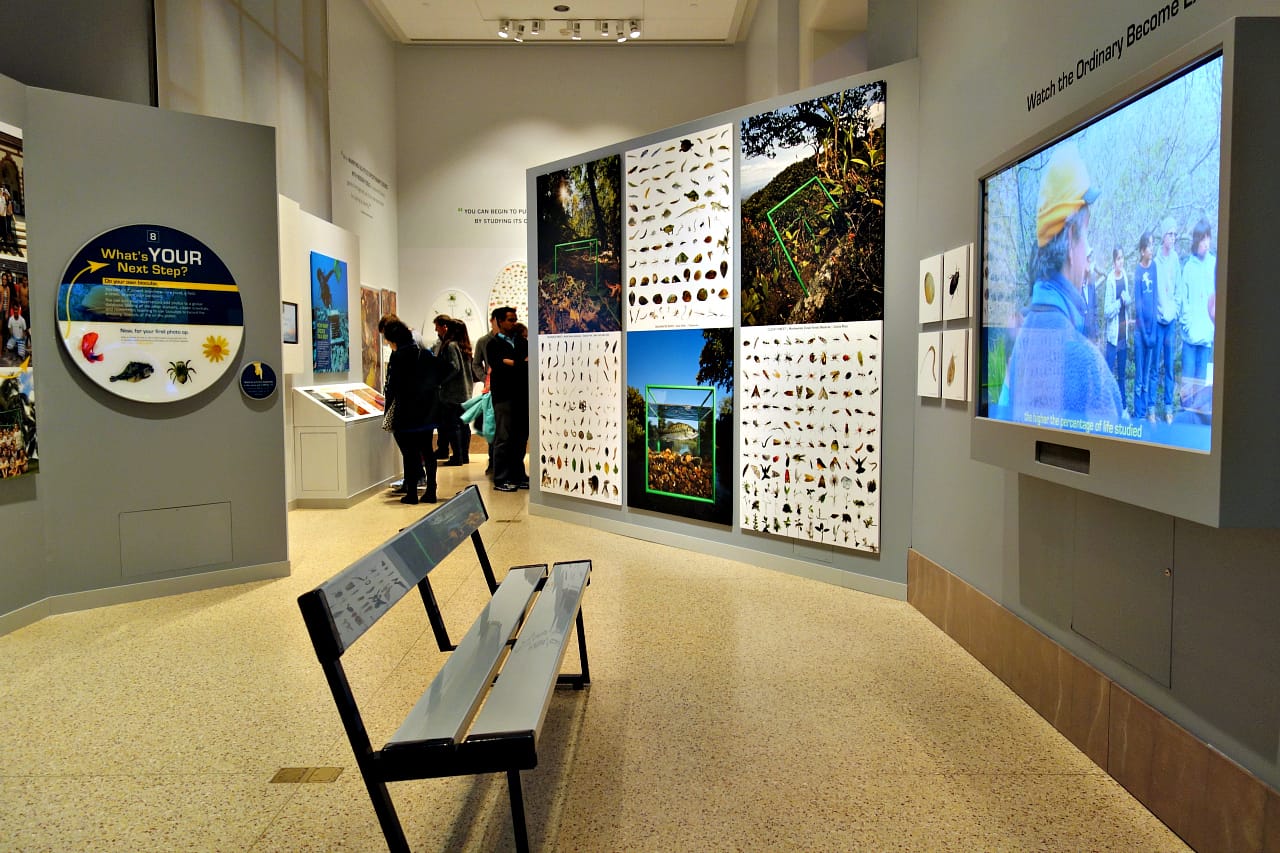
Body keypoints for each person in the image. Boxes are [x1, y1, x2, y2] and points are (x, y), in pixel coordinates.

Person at [1000, 143, 1121, 423]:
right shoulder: (1090, 369)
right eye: (1087, 236)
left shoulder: (1021, 346)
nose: (1088, 259)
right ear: (1070, 240)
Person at [382, 318, 440, 505]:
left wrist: (387, 411)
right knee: (427, 451)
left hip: (406, 412)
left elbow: (393, 387)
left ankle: (412, 493)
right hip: (427, 411)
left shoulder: (398, 357)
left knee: (409, 453)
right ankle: (431, 490)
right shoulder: (425, 354)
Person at [486, 306, 529, 492]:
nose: (514, 322)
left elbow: (527, 363)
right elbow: (499, 364)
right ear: (500, 321)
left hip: (522, 395)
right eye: (510, 319)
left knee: (520, 437)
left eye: (515, 319)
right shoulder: (493, 344)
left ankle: (518, 475)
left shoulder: (522, 341)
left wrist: (513, 363)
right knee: (503, 438)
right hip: (503, 396)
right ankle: (501, 478)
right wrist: (518, 363)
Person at [1153, 216, 1182, 423]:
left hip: (1170, 322)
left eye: (1175, 234)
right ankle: (1152, 407)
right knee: (1155, 365)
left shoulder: (1176, 260)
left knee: (1170, 366)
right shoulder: (1155, 262)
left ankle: (1169, 407)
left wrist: (1174, 311)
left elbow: (1178, 292)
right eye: (1170, 234)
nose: (1172, 238)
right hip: (1157, 321)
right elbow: (1153, 293)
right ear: (1163, 236)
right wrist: (1158, 312)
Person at [1179, 218, 1216, 382]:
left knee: (1201, 390)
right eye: (1202, 239)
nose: (1206, 243)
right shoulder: (1188, 267)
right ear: (1196, 241)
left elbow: (1217, 298)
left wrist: (1212, 327)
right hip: (1190, 338)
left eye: (1208, 238)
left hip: (1206, 337)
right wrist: (1188, 326)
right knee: (1188, 388)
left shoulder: (1214, 264)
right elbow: (1182, 300)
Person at [434, 317, 473, 465]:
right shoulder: (465, 346)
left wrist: (441, 381)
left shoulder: (451, 346)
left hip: (452, 393)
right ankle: (464, 455)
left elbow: (454, 367)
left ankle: (458, 456)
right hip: (465, 391)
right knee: (464, 425)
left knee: (453, 425)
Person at [1102, 246, 1132, 416]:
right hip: (1113, 338)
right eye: (1118, 259)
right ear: (1113, 262)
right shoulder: (1110, 280)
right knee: (1109, 374)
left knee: (1122, 374)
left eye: (1122, 258)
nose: (1121, 261)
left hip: (1123, 336)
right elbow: (1107, 311)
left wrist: (1126, 301)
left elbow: (1128, 300)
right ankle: (1107, 408)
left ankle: (1123, 408)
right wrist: (1120, 302)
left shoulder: (1125, 276)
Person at [1133, 231, 1159, 422]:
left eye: (1153, 244)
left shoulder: (1154, 267)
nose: (1152, 248)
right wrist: (1145, 333)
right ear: (1142, 250)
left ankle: (1149, 412)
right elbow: (1139, 305)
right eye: (1149, 246)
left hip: (1152, 330)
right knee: (1140, 373)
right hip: (1140, 333)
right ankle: (1139, 412)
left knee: (1150, 370)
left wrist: (1154, 331)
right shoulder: (1138, 271)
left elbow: (1155, 296)